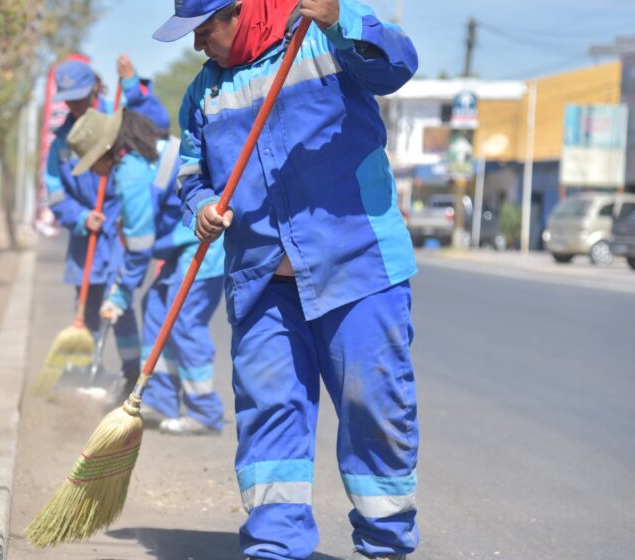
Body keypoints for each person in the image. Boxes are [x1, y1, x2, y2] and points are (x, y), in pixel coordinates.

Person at [153, 1, 420, 559]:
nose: (199, 46)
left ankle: (384, 546)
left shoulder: (322, 36)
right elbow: (189, 173)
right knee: (270, 424)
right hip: (262, 285)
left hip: (359, 269)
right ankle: (274, 549)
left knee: (375, 411)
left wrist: (338, 20)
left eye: (205, 32)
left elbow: (396, 66)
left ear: (239, 12)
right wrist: (201, 205)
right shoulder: (204, 93)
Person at [115, 55, 229, 436]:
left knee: (184, 321)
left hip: (205, 245)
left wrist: (119, 293)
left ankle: (204, 410)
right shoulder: (144, 154)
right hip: (187, 245)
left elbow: (140, 243)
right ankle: (161, 399)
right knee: (155, 308)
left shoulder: (130, 170)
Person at [46, 59, 142, 388]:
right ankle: (86, 370)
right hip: (85, 233)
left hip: (116, 230)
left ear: (94, 90)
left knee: (119, 303)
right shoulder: (61, 144)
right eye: (67, 98)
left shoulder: (114, 120)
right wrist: (82, 217)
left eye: (79, 96)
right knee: (85, 306)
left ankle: (132, 371)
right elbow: (56, 194)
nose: (73, 103)